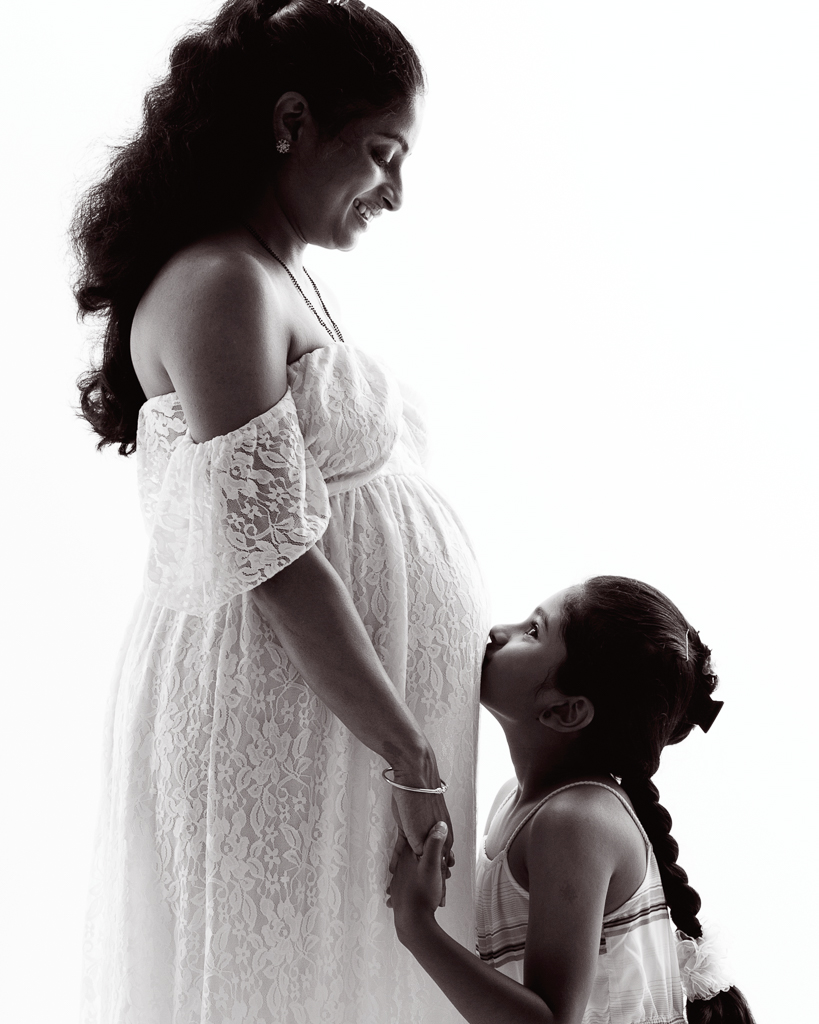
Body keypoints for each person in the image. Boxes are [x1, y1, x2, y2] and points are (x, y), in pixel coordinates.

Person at [71, 2, 487, 1021]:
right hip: (277, 717)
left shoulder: (271, 269)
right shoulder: (221, 283)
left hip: (330, 717)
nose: (396, 190)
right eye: (383, 152)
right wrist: (411, 753)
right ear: (291, 120)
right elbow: (276, 557)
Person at [388, 576, 756, 1024]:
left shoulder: (575, 821)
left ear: (567, 710)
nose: (498, 632)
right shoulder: (518, 800)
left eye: (533, 632)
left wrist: (417, 925)